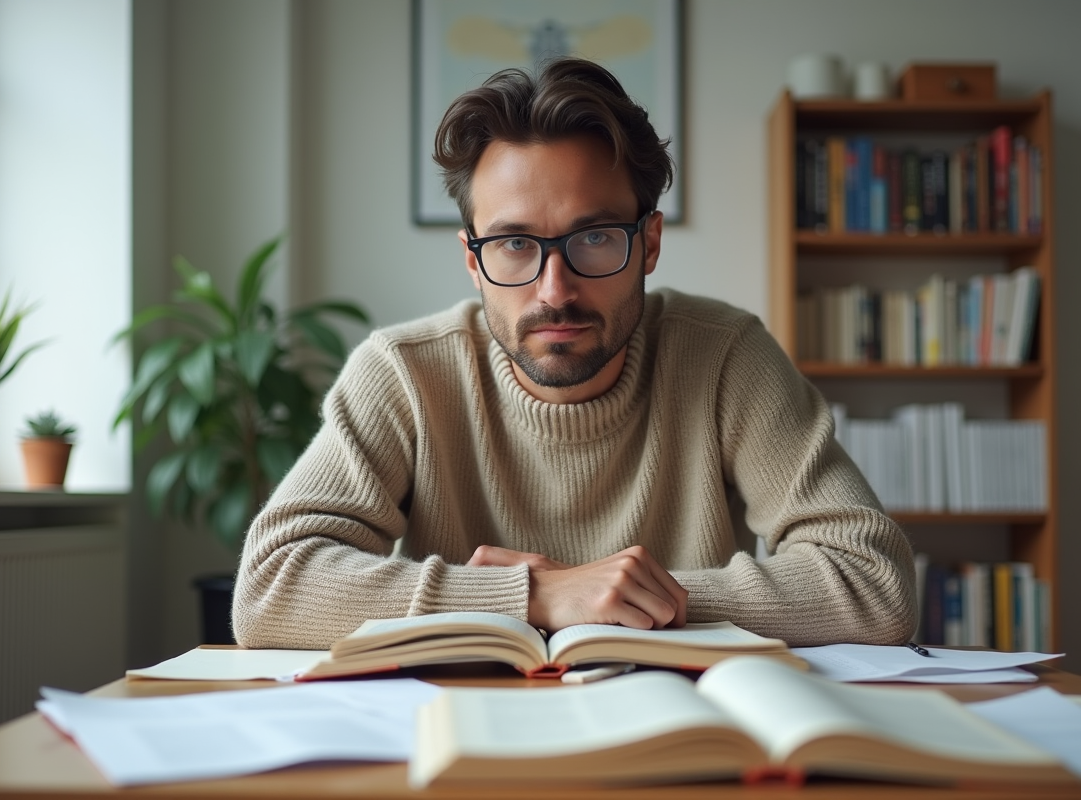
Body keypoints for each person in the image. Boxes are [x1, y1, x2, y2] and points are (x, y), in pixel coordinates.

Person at [233, 57, 916, 649]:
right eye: (514, 244)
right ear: (472, 261)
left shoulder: (725, 357)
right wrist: (531, 595)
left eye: (593, 240)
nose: (554, 291)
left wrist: (627, 595)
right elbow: (269, 588)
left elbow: (875, 582)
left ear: (648, 243)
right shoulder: (404, 373)